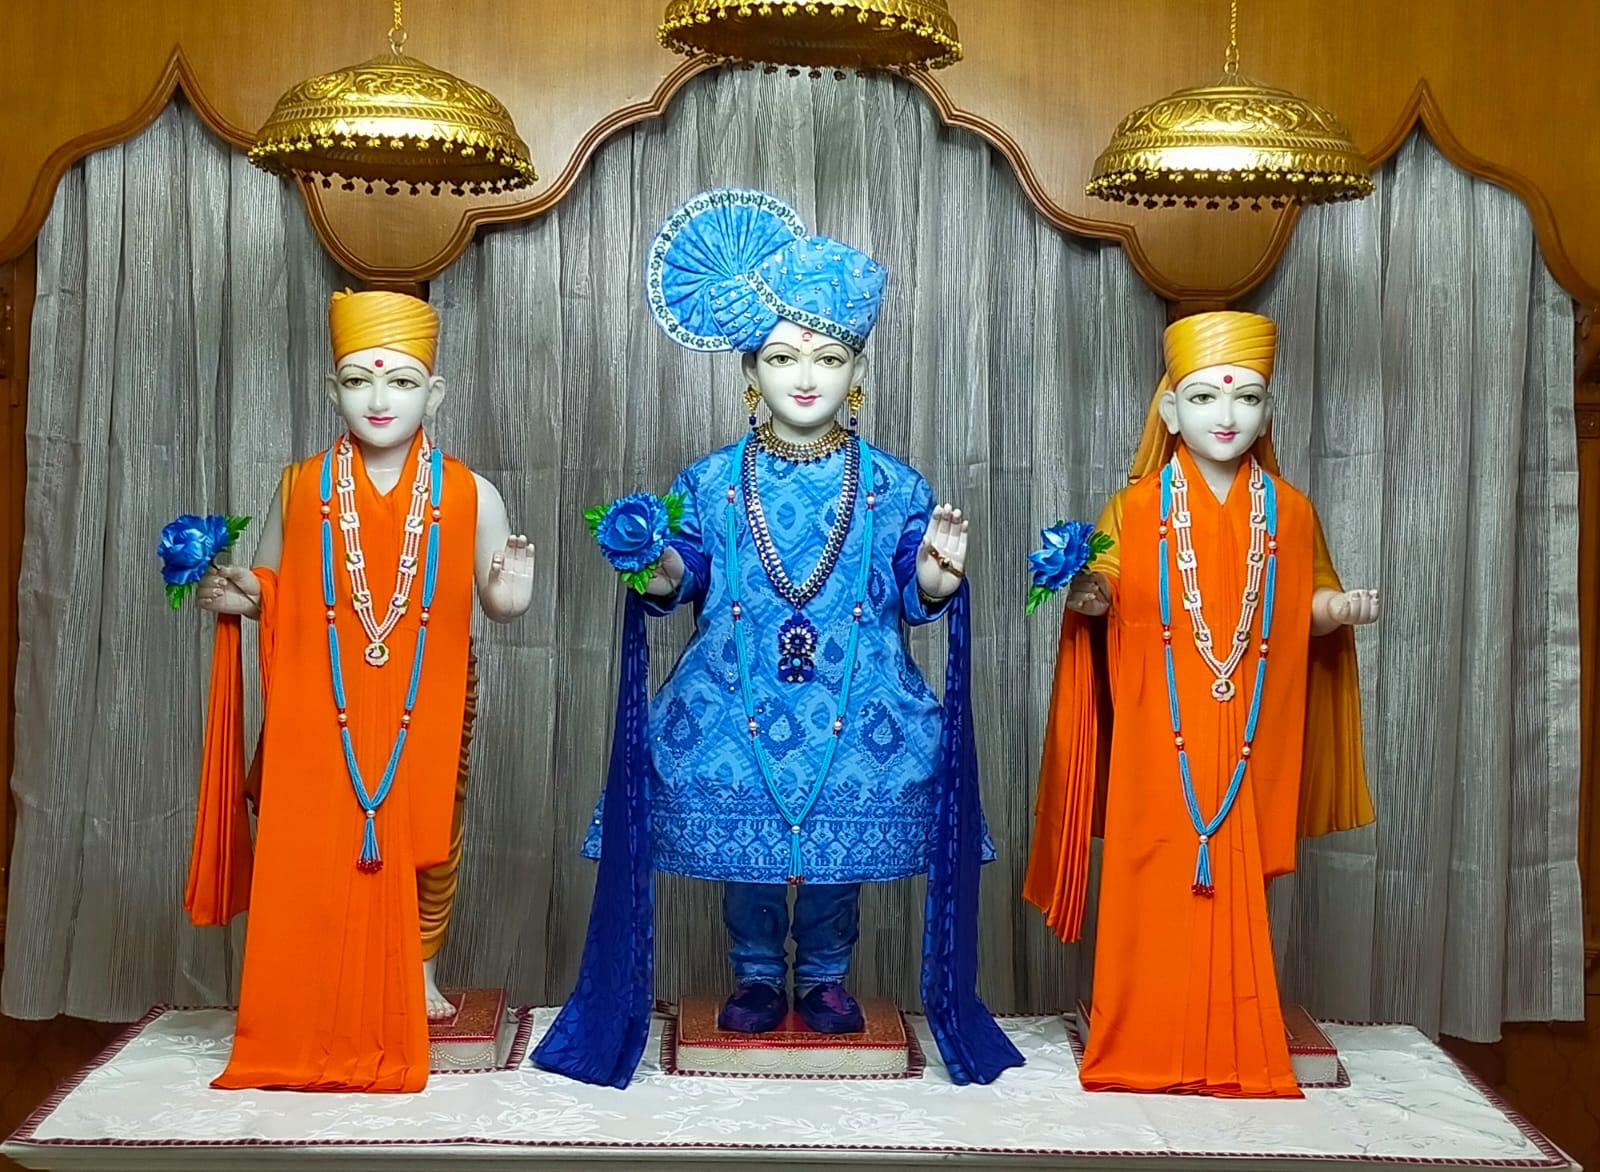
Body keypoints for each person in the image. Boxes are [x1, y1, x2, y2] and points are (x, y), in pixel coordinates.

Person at [533, 189, 1022, 1089]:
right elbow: (686, 574)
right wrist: (658, 569)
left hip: (857, 693)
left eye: (828, 358)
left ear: (857, 372)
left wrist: (934, 583)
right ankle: (757, 977)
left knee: (833, 837)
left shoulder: (894, 484)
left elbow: (908, 594)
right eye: (783, 357)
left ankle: (828, 980)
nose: (806, 377)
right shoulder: (714, 480)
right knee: (749, 820)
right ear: (749, 371)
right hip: (735, 691)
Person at [1024, 310, 1378, 1098]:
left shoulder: (1290, 512)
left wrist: (1340, 608)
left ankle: (1233, 1030)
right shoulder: (1136, 506)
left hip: (1248, 720)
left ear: (1267, 412)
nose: (1228, 417)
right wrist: (1085, 592)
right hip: (1162, 724)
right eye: (1207, 398)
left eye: (1248, 399)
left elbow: (1305, 602)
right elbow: (1106, 590)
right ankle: (1141, 1029)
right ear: (1170, 409)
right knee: (1151, 864)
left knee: (1236, 871)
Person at [187, 290, 534, 1092]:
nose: (379, 400)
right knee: (316, 830)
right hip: (324, 692)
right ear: (331, 389)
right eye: (359, 380)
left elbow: (499, 602)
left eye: (402, 382)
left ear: (435, 394)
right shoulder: (300, 486)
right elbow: (271, 582)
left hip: (430, 690)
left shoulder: (472, 493)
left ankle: (417, 970)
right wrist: (236, 591)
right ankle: (316, 971)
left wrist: (511, 586)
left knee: (426, 828)